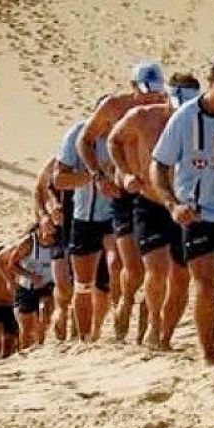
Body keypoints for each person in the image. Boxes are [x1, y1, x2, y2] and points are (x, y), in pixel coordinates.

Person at [151, 57, 214, 364]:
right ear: (209, 85)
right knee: (205, 285)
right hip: (198, 215)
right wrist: (171, 204)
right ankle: (206, 354)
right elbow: (159, 164)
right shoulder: (184, 118)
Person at [108, 73, 200, 350]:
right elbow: (114, 140)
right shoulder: (142, 117)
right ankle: (145, 317)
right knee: (156, 270)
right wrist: (124, 174)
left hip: (186, 208)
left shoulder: (201, 120)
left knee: (182, 277)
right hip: (150, 202)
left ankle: (164, 335)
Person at [78, 62, 167, 343]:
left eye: (156, 93)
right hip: (122, 194)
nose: (152, 98)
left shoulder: (163, 108)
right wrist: (98, 175)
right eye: (146, 92)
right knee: (134, 269)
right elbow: (85, 140)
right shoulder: (114, 107)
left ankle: (148, 328)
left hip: (152, 194)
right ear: (133, 87)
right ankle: (126, 301)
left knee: (157, 269)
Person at [54, 107, 121, 342]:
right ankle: (85, 338)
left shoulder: (122, 133)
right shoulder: (76, 135)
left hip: (114, 216)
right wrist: (95, 176)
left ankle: (104, 326)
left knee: (113, 267)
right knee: (83, 285)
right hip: (84, 217)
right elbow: (58, 180)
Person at [33, 157, 75, 341]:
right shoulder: (56, 162)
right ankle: (62, 316)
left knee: (85, 286)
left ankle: (80, 337)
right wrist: (43, 217)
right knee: (64, 287)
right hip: (60, 230)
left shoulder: (99, 156)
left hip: (90, 226)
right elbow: (38, 190)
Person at [7, 224, 56, 349]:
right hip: (27, 287)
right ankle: (25, 351)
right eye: (47, 227)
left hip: (47, 285)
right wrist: (29, 275)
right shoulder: (29, 242)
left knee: (46, 311)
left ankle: (41, 343)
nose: (50, 232)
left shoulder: (58, 240)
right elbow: (11, 264)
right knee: (26, 328)